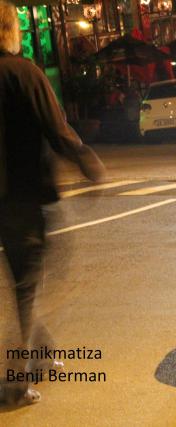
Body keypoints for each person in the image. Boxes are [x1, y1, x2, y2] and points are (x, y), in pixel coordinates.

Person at [0, 0, 105, 406]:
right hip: (24, 196)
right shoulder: (24, 73)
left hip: (7, 201)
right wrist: (87, 162)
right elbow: (57, 128)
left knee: (24, 278)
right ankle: (13, 384)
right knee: (29, 284)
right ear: (12, 30)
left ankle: (40, 357)